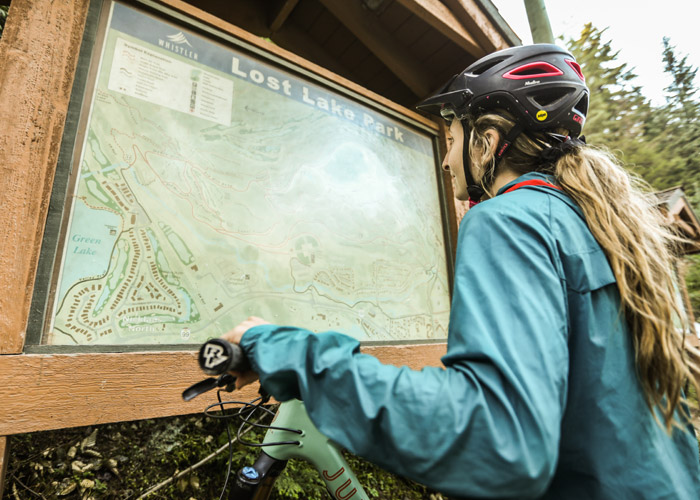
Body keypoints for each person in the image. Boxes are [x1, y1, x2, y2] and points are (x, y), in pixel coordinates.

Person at [222, 44, 700, 498]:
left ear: (487, 143)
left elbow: (499, 437)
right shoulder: (604, 227)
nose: (448, 160)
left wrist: (290, 353)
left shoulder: (508, 219)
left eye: (451, 138)